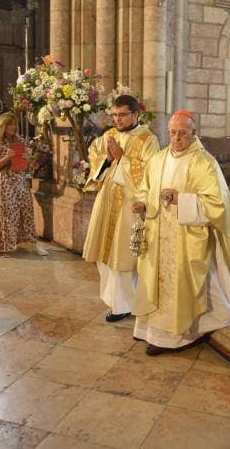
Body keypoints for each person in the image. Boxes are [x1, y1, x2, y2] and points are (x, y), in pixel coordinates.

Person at [130, 111, 230, 356]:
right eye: (172, 132)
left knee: (181, 285)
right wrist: (142, 203)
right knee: (156, 283)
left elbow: (217, 204)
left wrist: (182, 199)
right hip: (157, 232)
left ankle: (179, 336)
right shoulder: (157, 160)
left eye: (182, 133)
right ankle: (153, 331)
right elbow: (144, 189)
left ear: (194, 133)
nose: (176, 138)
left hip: (186, 235)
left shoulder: (205, 163)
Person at [83, 95, 160, 322]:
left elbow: (150, 171)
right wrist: (107, 160)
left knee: (123, 257)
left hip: (130, 203)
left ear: (135, 114)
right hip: (107, 201)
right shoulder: (110, 135)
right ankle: (114, 300)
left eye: (122, 115)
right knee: (103, 254)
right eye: (114, 115)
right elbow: (96, 156)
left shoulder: (148, 139)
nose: (117, 119)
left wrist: (122, 158)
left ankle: (125, 304)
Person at [0, 113, 46, 256]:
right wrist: (7, 157)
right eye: (10, 124)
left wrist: (27, 159)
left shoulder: (19, 140)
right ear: (3, 126)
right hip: (5, 180)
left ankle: (32, 243)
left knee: (26, 211)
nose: (13, 127)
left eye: (14, 124)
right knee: (6, 211)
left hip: (20, 179)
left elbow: (25, 166)